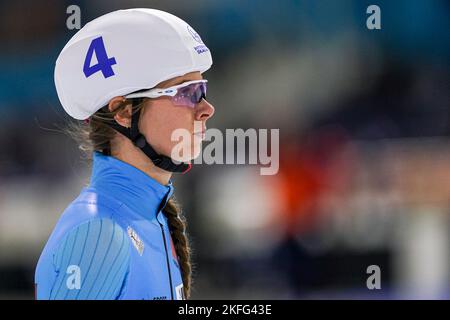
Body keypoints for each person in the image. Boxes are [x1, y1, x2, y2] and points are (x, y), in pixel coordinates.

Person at [35, 8, 215, 300]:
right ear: (124, 111)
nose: (207, 108)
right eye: (187, 92)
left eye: (202, 89)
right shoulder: (99, 234)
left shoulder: (148, 220)